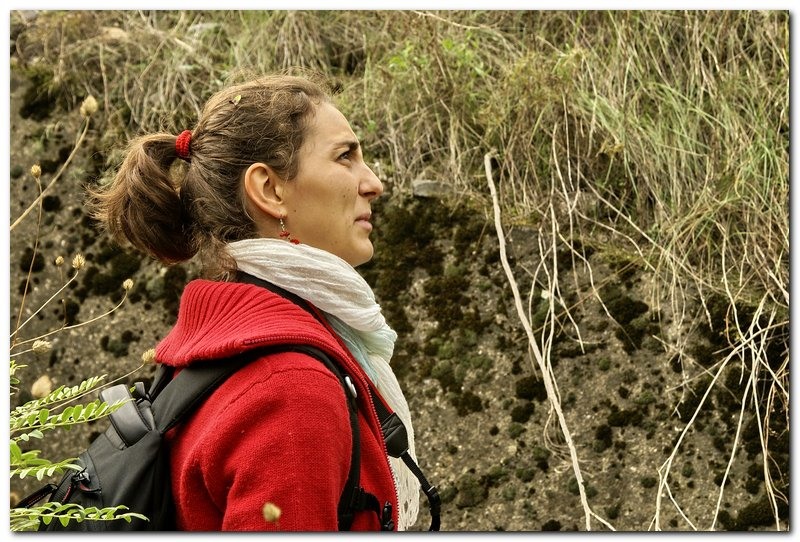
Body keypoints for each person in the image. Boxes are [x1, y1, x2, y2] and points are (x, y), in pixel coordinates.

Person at [89, 73, 424, 531]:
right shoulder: (291, 392)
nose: (374, 183)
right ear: (269, 190)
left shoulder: (221, 351)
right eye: (345, 156)